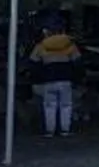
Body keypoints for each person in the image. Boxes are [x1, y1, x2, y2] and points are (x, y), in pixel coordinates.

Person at [28, 7, 83, 137]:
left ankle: (50, 131)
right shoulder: (69, 45)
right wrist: (78, 77)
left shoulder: (41, 46)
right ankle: (65, 130)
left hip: (48, 80)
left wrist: (35, 76)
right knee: (66, 105)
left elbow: (33, 62)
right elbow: (78, 62)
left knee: (49, 105)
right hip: (65, 79)